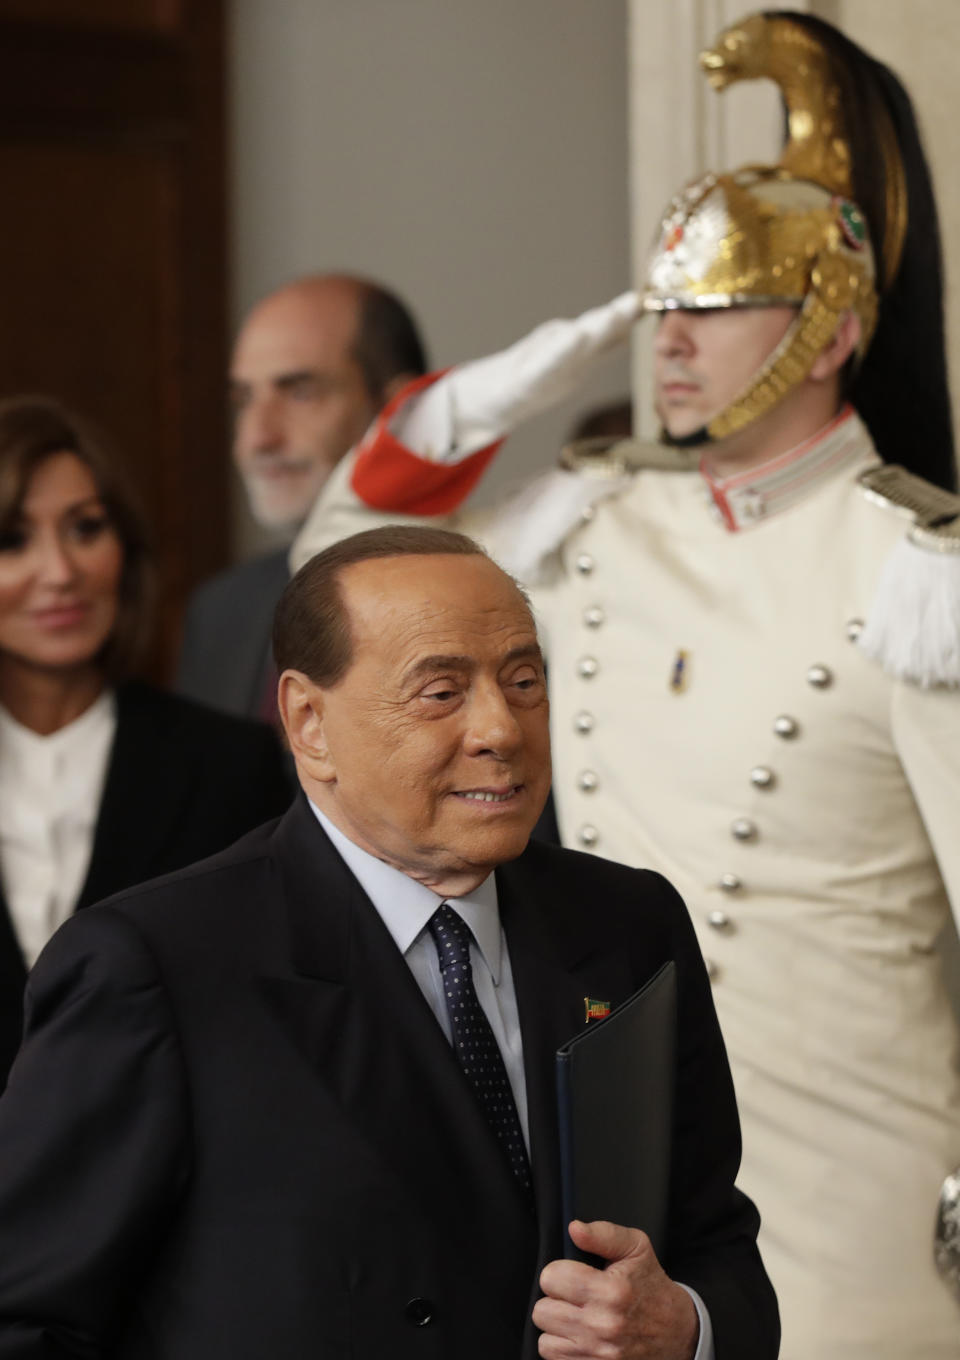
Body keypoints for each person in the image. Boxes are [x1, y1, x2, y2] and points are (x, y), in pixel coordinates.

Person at [289, 12, 960, 1357]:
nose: (674, 336)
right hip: (610, 1178)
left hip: (850, 1183)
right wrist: (491, 394)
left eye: (719, 304)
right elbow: (337, 565)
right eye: (667, 305)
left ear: (832, 327)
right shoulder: (593, 518)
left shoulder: (916, 570)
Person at [0, 525, 779, 1360]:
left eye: (524, 682)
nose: (501, 729)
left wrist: (686, 1326)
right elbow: (28, 1319)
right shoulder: (154, 966)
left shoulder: (628, 922)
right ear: (309, 721)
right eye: (440, 693)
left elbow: (717, 1245)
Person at [0, 396, 292, 1088]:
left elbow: (265, 1024)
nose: (61, 572)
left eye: (86, 528)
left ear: (124, 549)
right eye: (12, 540)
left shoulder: (232, 766)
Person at [176, 274, 427, 720]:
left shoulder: (506, 598)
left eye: (300, 392)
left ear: (400, 407)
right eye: (244, 399)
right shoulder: (220, 612)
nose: (257, 438)